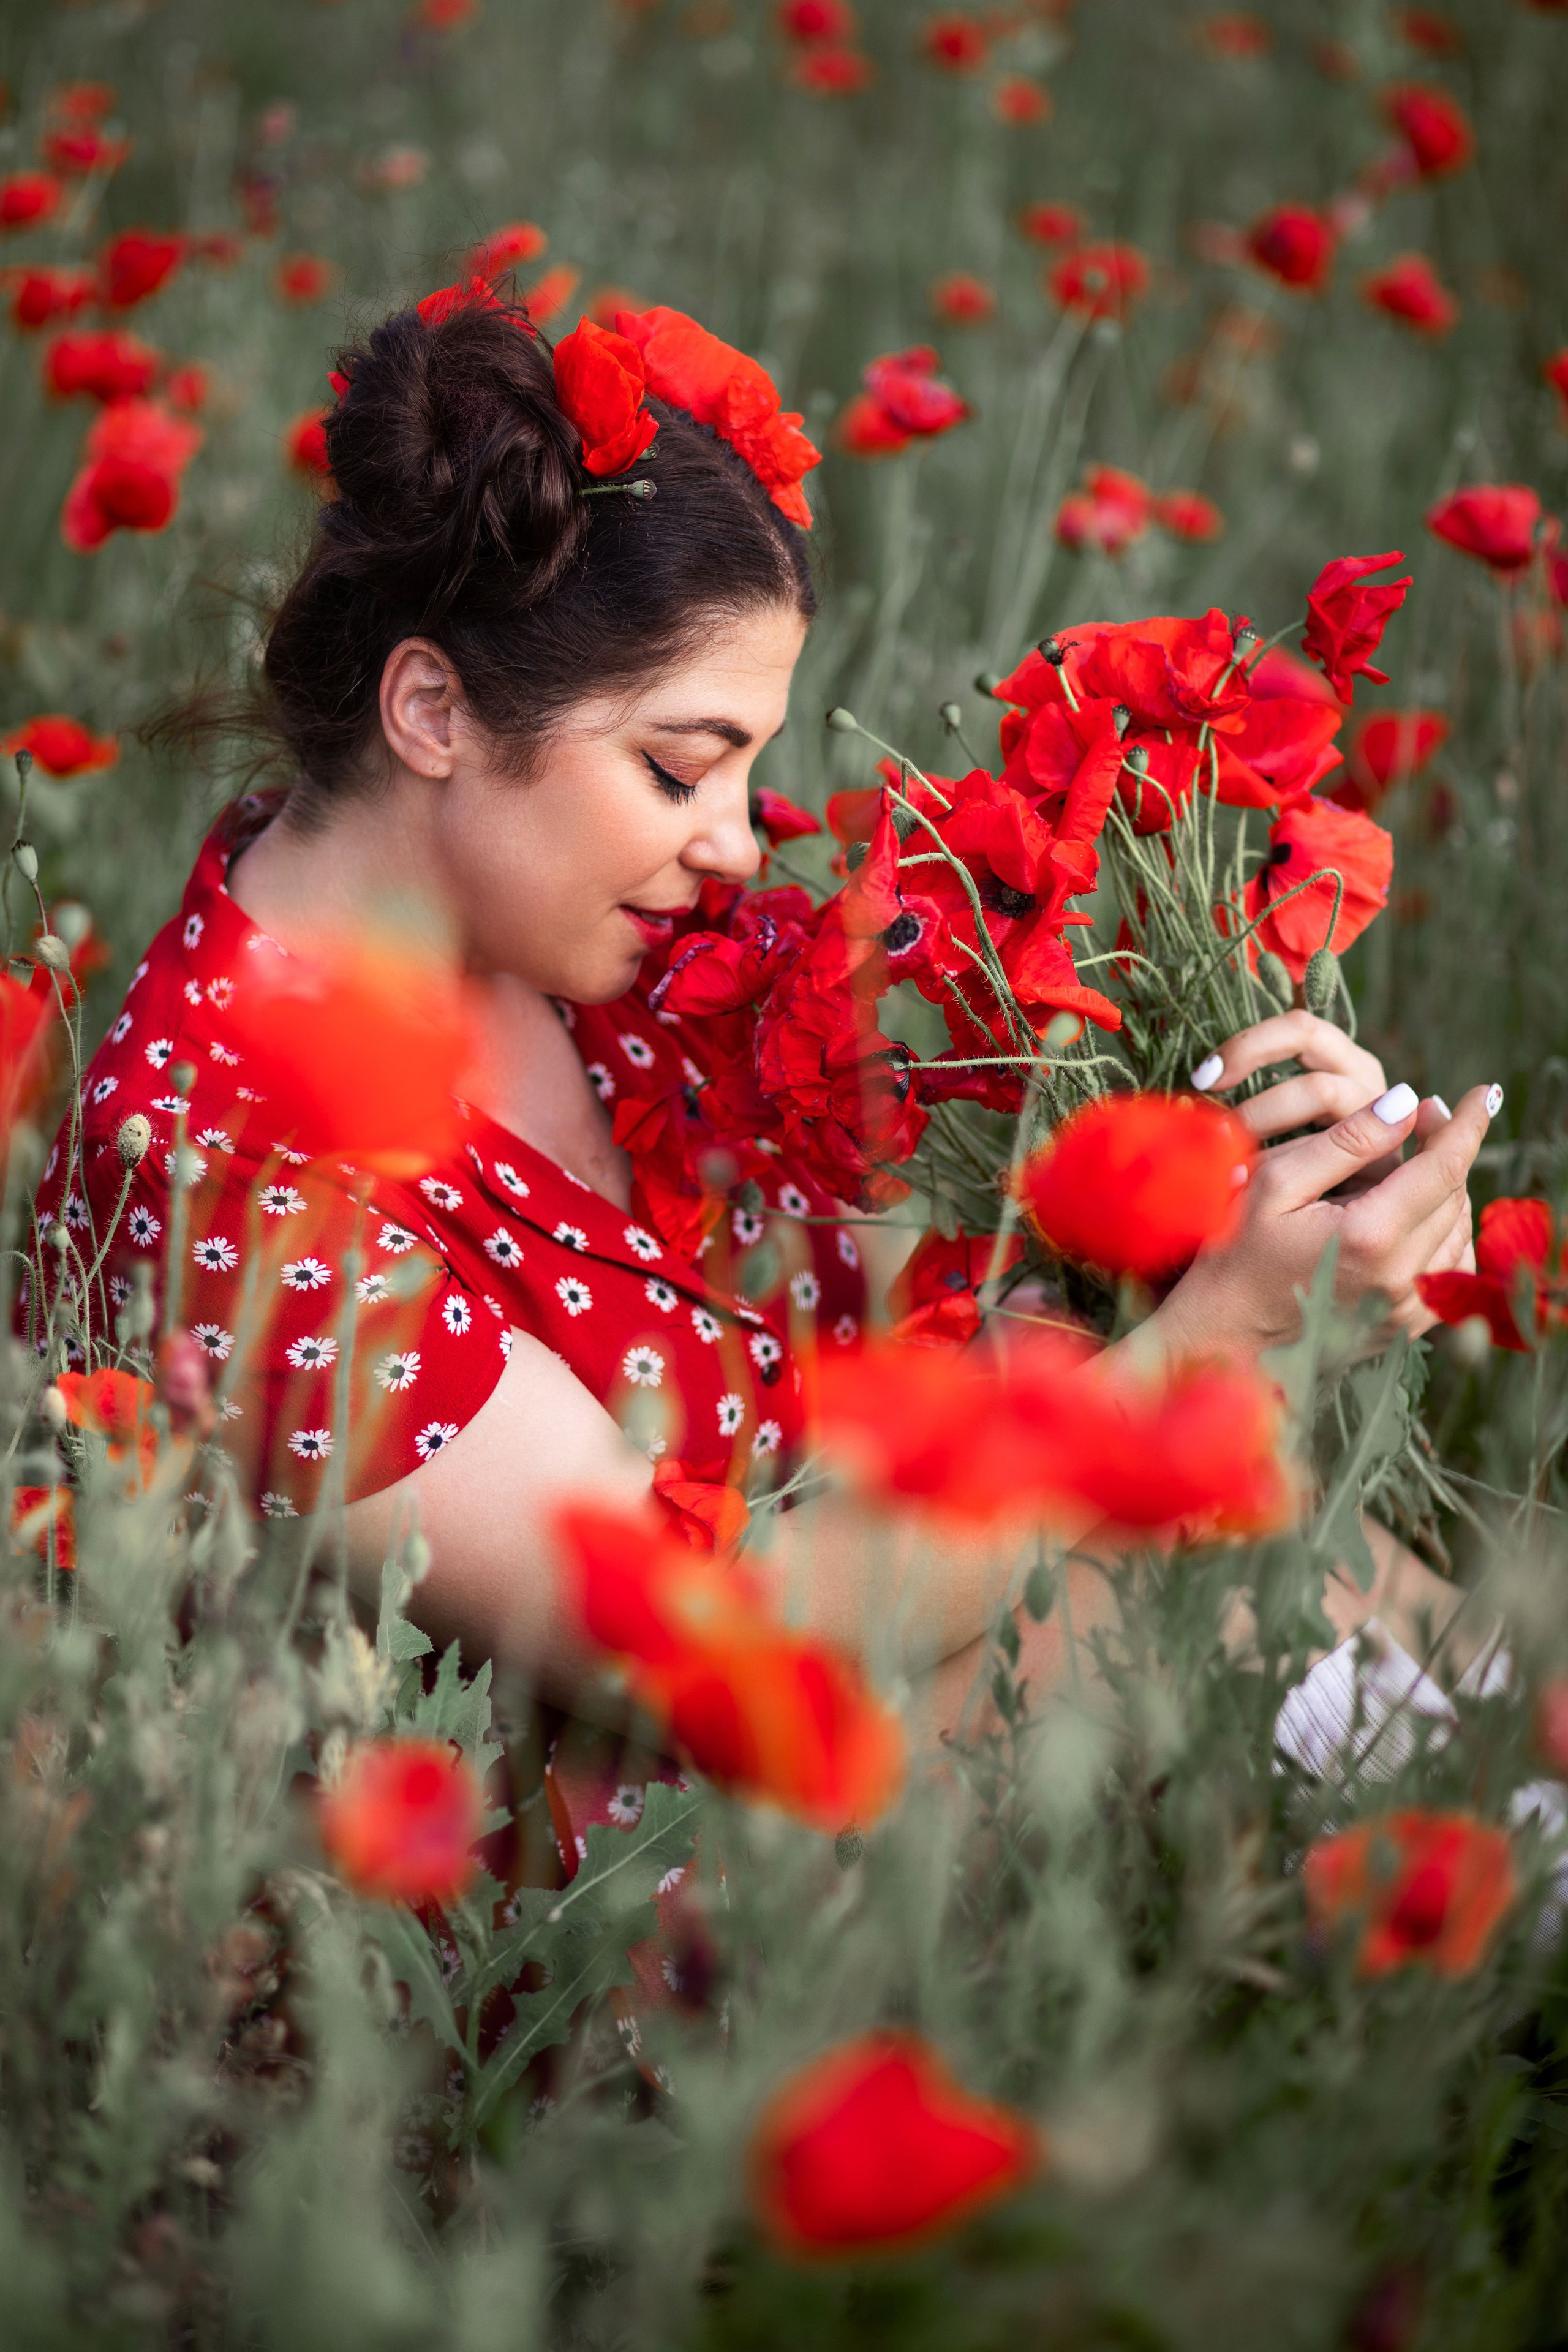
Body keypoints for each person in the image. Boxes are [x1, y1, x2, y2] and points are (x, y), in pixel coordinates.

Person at [39, 287, 1494, 1763]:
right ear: (432, 712)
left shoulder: (581, 946)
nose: (736, 846)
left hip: (882, 1620)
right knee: (1200, 1583)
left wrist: (1226, 1197)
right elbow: (716, 1633)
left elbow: (907, 1324)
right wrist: (1217, 1343)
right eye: (680, 770)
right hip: (609, 1878)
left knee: (1296, 1569)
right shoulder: (217, 1170)